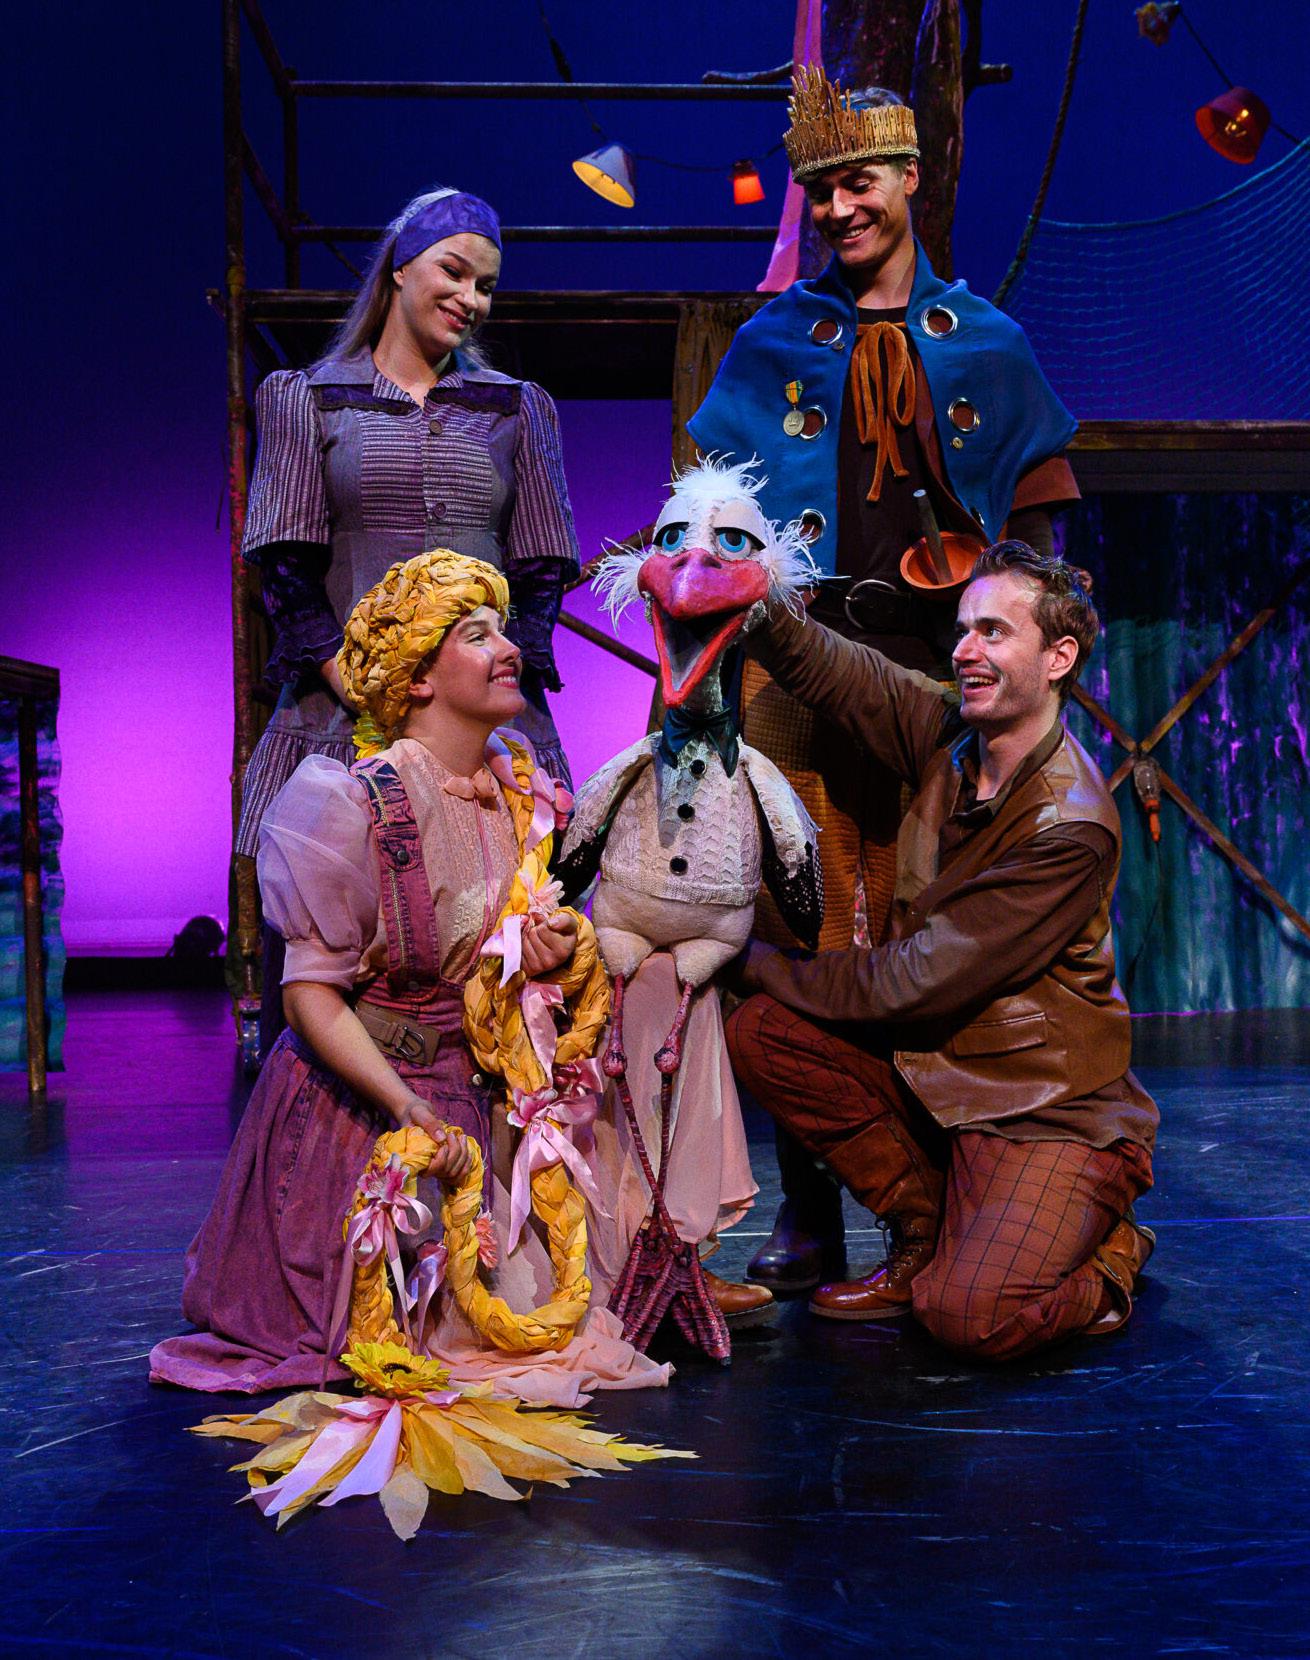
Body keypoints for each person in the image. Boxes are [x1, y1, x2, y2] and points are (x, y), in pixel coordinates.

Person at [688, 69, 1080, 1291]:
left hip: (933, 665)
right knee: (790, 915)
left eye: (858, 182)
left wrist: (1035, 662)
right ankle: (811, 1211)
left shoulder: (987, 342)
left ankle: (936, 1201)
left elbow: (1040, 513)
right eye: (819, 191)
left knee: (921, 923)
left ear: (910, 177)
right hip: (798, 663)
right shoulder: (772, 339)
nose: (839, 209)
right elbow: (713, 516)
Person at [151, 552, 667, 1405]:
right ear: (419, 676)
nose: (509, 648)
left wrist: (536, 955)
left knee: (526, 1323)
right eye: (478, 635)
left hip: (472, 1102)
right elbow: (309, 993)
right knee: (395, 1336)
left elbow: (489, 964)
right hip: (365, 1111)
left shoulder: (517, 796)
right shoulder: (356, 804)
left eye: (503, 629)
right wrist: (403, 1105)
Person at [725, 543, 1159, 1362]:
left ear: (1059, 657)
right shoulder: (950, 738)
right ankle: (926, 1230)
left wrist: (750, 960)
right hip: (939, 1072)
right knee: (766, 1032)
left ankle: (1112, 1254)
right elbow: (846, 675)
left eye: (994, 631)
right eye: (963, 630)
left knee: (971, 1317)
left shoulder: (1068, 826)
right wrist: (754, 599)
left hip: (1039, 1106)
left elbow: (916, 978)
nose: (965, 650)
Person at [237, 186, 580, 1046]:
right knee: (333, 965)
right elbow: (286, 567)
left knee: (502, 962)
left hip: (479, 733)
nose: (470, 298)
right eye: (453, 272)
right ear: (398, 267)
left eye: (486, 286)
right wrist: (366, 690)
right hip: (341, 718)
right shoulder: (307, 399)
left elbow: (540, 572)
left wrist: (487, 694)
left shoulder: (516, 408)